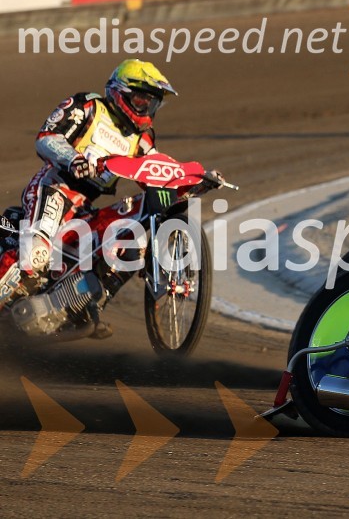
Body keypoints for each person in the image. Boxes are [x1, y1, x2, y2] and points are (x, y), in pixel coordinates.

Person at [0, 59, 219, 333]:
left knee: (130, 242)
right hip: (54, 187)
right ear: (120, 93)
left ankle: (82, 305)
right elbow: (46, 138)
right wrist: (73, 159)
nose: (147, 108)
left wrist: (196, 179)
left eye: (152, 103)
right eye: (141, 100)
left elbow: (159, 170)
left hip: (84, 207)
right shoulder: (88, 107)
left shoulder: (142, 140)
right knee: (37, 254)